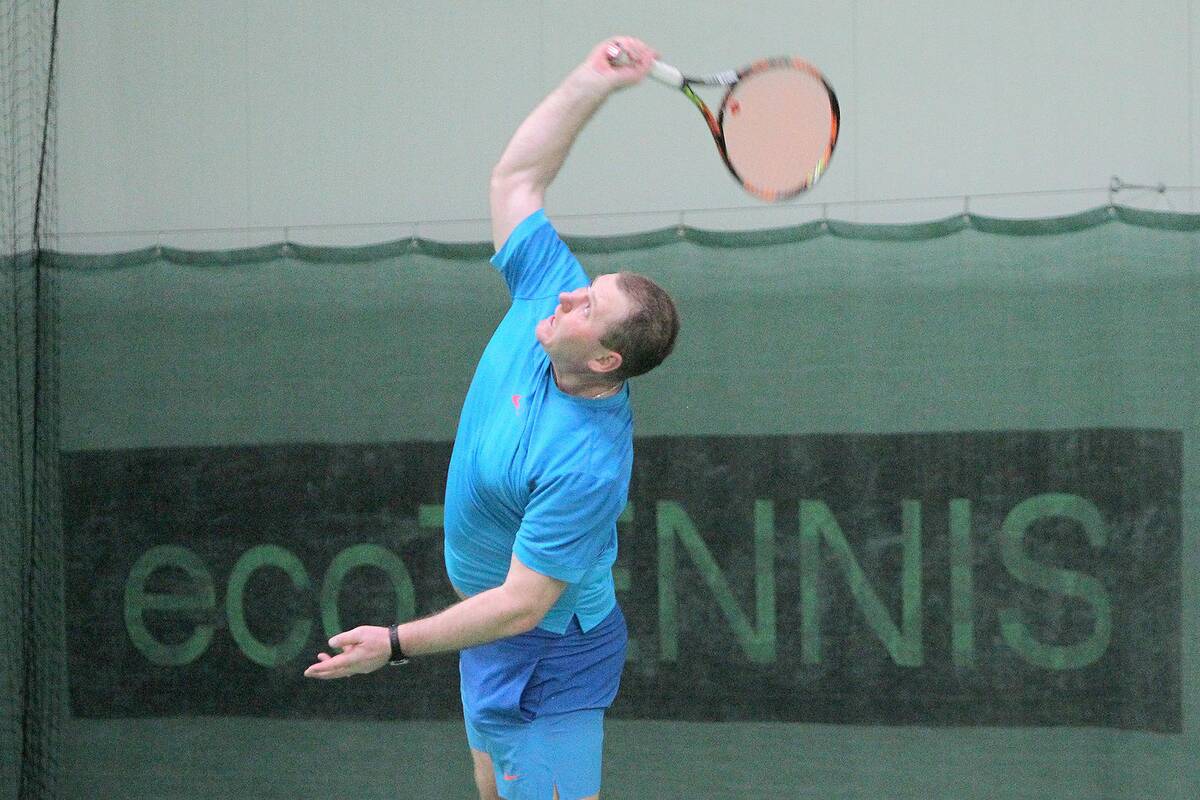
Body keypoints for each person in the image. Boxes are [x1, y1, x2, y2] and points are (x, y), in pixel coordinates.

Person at [304, 36, 678, 800]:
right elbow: (516, 179)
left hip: (549, 652)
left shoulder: (585, 463)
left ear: (605, 358)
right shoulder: (548, 297)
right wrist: (592, 82)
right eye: (586, 285)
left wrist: (395, 643)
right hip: (494, 636)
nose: (569, 294)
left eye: (588, 305)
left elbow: (522, 605)